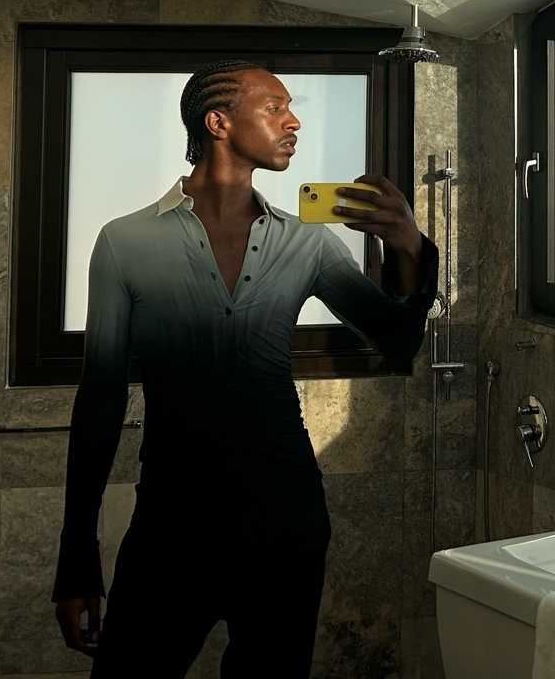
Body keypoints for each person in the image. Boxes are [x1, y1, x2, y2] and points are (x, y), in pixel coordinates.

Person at [51, 60, 438, 678]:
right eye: (275, 106)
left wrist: (410, 250)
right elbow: (99, 399)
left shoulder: (306, 240)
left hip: (287, 519)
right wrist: (76, 558)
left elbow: (397, 338)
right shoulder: (124, 243)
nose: (294, 120)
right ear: (218, 122)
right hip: (173, 520)